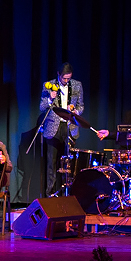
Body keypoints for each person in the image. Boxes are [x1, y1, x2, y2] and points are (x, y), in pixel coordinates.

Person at [40, 62, 84, 195]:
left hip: (69, 126)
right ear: (58, 74)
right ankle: (51, 194)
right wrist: (50, 98)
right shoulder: (48, 85)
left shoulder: (77, 85)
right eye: (64, 78)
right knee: (51, 163)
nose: (66, 81)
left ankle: (68, 194)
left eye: (68, 78)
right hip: (53, 127)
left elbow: (81, 106)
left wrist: (76, 111)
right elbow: (42, 107)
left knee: (69, 163)